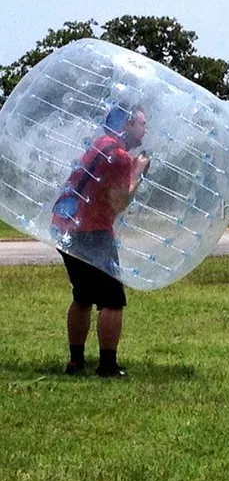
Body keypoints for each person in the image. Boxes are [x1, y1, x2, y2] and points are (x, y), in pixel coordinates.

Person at [51, 103, 149, 378]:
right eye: (142, 124)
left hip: (65, 226)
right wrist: (138, 172)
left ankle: (76, 362)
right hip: (92, 230)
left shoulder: (99, 145)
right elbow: (119, 202)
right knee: (112, 299)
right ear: (127, 124)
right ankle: (107, 366)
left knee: (82, 295)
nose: (145, 131)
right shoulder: (118, 156)